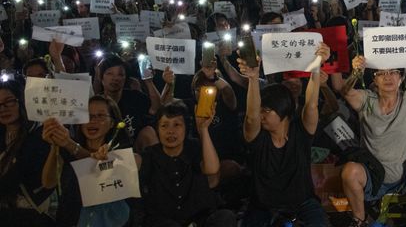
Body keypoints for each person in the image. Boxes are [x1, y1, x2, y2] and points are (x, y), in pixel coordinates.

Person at [340, 52, 406, 227]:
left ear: (401, 78)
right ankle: (359, 220)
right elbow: (346, 92)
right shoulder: (366, 100)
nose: (388, 77)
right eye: (382, 73)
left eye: (393, 72)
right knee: (349, 171)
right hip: (373, 173)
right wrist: (355, 73)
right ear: (374, 79)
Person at [238, 42, 331, 227]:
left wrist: (315, 66)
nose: (261, 116)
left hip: (303, 205)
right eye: (260, 110)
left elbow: (311, 104)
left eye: (267, 111)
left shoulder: (301, 133)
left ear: (284, 112)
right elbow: (251, 117)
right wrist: (253, 78)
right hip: (263, 208)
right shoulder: (258, 138)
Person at [138, 100, 236, 227]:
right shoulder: (150, 154)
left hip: (199, 218)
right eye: (164, 125)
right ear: (157, 129)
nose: (170, 131)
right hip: (165, 221)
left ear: (186, 128)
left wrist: (203, 129)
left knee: (225, 217)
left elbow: (212, 169)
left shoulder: (195, 147)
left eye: (177, 125)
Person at [41, 95, 133, 227]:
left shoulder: (120, 150)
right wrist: (54, 145)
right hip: (69, 219)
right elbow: (48, 183)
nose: (92, 121)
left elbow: (99, 168)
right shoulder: (67, 148)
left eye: (100, 116)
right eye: (87, 116)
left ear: (112, 122)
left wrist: (69, 144)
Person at [0, 82, 55, 226]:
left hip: (29, 216)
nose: (3, 108)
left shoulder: (40, 136)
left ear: (22, 101)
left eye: (9, 101)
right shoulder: (2, 136)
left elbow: (22, 176)